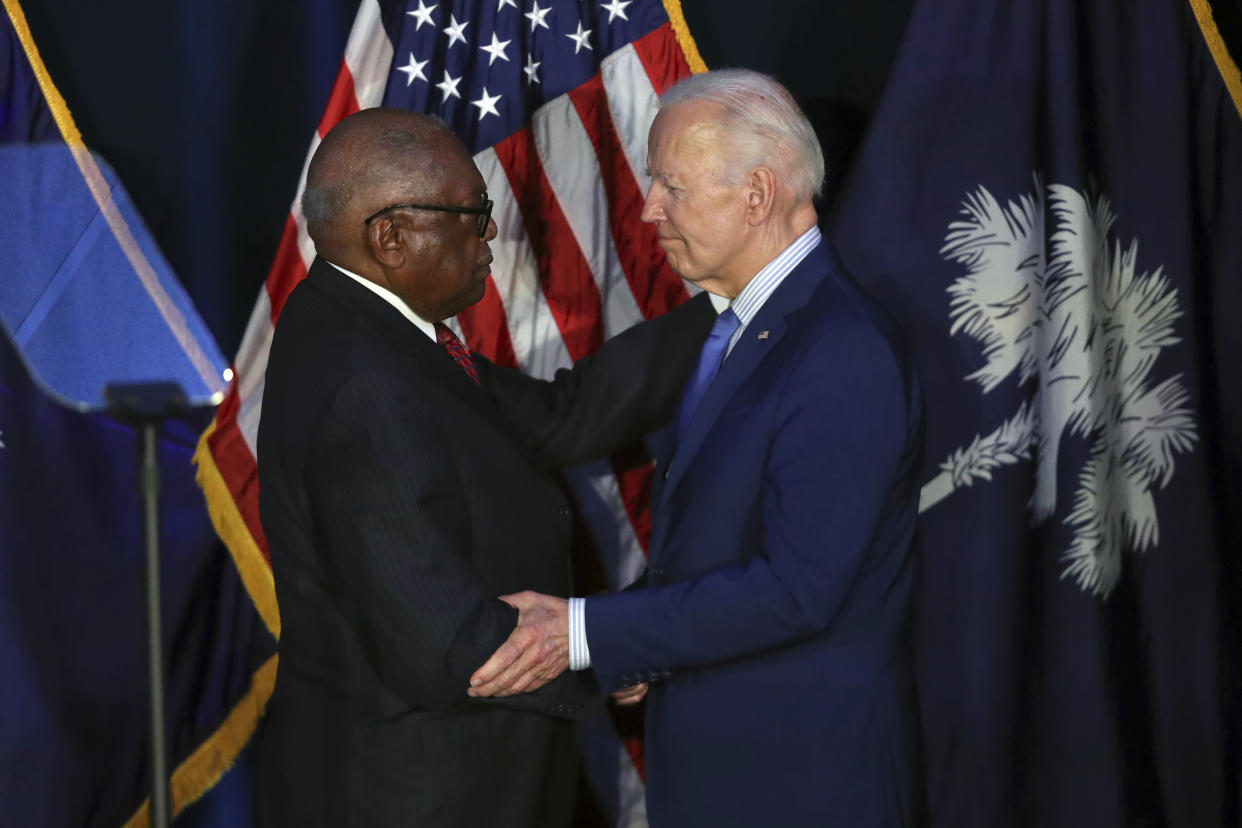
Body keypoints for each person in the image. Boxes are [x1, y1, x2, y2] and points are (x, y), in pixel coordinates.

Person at [469, 69, 926, 826]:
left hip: (802, 783)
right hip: (736, 770)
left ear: (757, 194)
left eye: (671, 187)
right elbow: (720, 542)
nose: (649, 210)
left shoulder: (842, 348)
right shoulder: (748, 326)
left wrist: (585, 632)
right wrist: (639, 641)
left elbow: (796, 588)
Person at [252, 107, 713, 827]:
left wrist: (732, 300)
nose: (491, 231)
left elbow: (564, 416)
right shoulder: (366, 387)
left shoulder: (363, 323)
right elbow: (452, 644)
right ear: (392, 236)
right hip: (421, 794)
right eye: (472, 213)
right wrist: (615, 646)